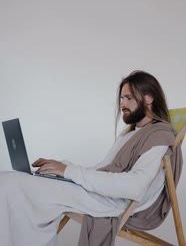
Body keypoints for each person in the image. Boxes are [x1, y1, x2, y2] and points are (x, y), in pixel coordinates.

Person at [0, 70, 182, 246]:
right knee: (10, 179)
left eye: (128, 98)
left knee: (15, 184)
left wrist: (68, 172)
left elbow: (134, 186)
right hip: (100, 193)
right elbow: (102, 168)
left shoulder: (159, 136)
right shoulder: (129, 135)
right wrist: (63, 167)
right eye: (121, 98)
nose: (122, 104)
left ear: (148, 98)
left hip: (116, 202)